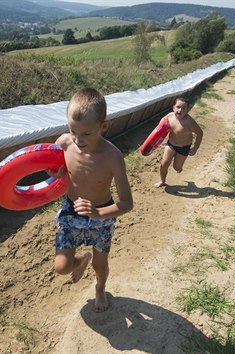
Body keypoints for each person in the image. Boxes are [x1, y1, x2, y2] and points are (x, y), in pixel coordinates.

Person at [47, 87, 133, 313]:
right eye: (72, 130)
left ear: (104, 126)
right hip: (71, 210)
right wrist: (56, 173)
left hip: (102, 214)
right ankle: (81, 259)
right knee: (62, 267)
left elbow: (127, 203)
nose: (78, 139)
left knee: (100, 264)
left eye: (87, 133)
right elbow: (58, 171)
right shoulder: (64, 143)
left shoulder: (113, 157)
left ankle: (100, 288)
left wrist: (98, 214)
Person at [154, 96, 203, 188]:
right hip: (171, 145)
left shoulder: (189, 122)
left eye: (183, 108)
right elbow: (161, 123)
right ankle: (162, 181)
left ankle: (179, 168)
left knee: (176, 167)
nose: (180, 110)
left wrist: (195, 148)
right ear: (173, 108)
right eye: (178, 107)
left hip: (184, 147)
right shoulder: (170, 116)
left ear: (188, 110)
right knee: (164, 164)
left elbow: (200, 133)